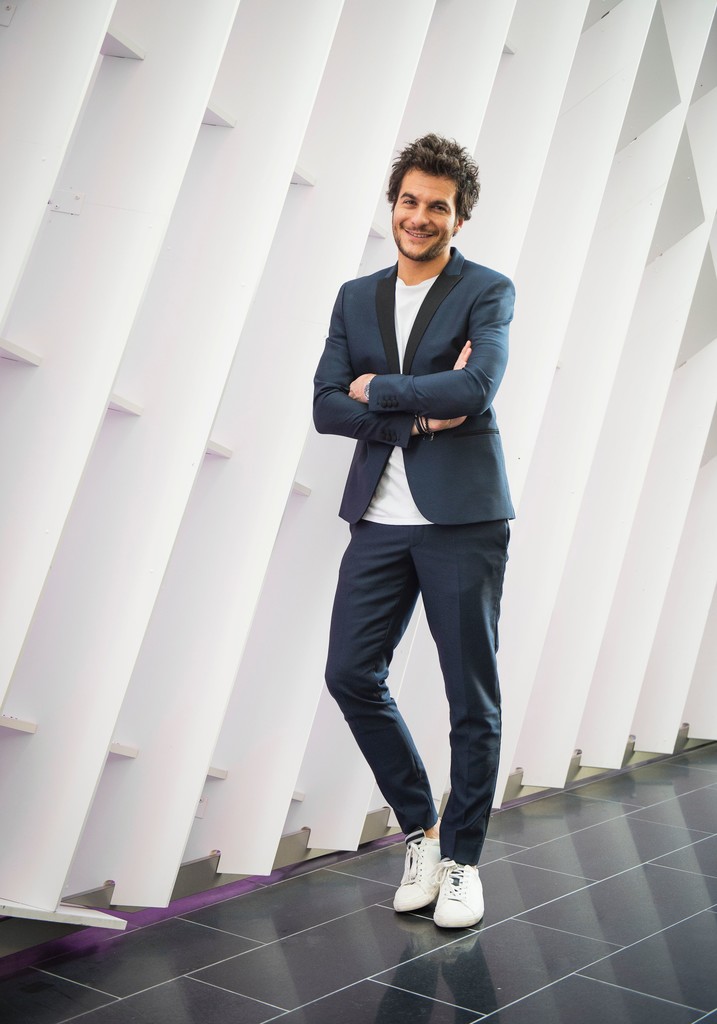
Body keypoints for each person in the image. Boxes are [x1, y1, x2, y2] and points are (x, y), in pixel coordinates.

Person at [313, 133, 515, 928]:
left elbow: (476, 386)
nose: (419, 216)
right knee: (350, 673)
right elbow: (326, 405)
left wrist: (380, 389)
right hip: (378, 519)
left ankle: (462, 862)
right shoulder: (354, 297)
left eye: (438, 206)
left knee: (470, 697)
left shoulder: (486, 290)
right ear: (392, 204)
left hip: (462, 519)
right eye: (409, 201)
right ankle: (422, 832)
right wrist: (421, 414)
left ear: (459, 218)